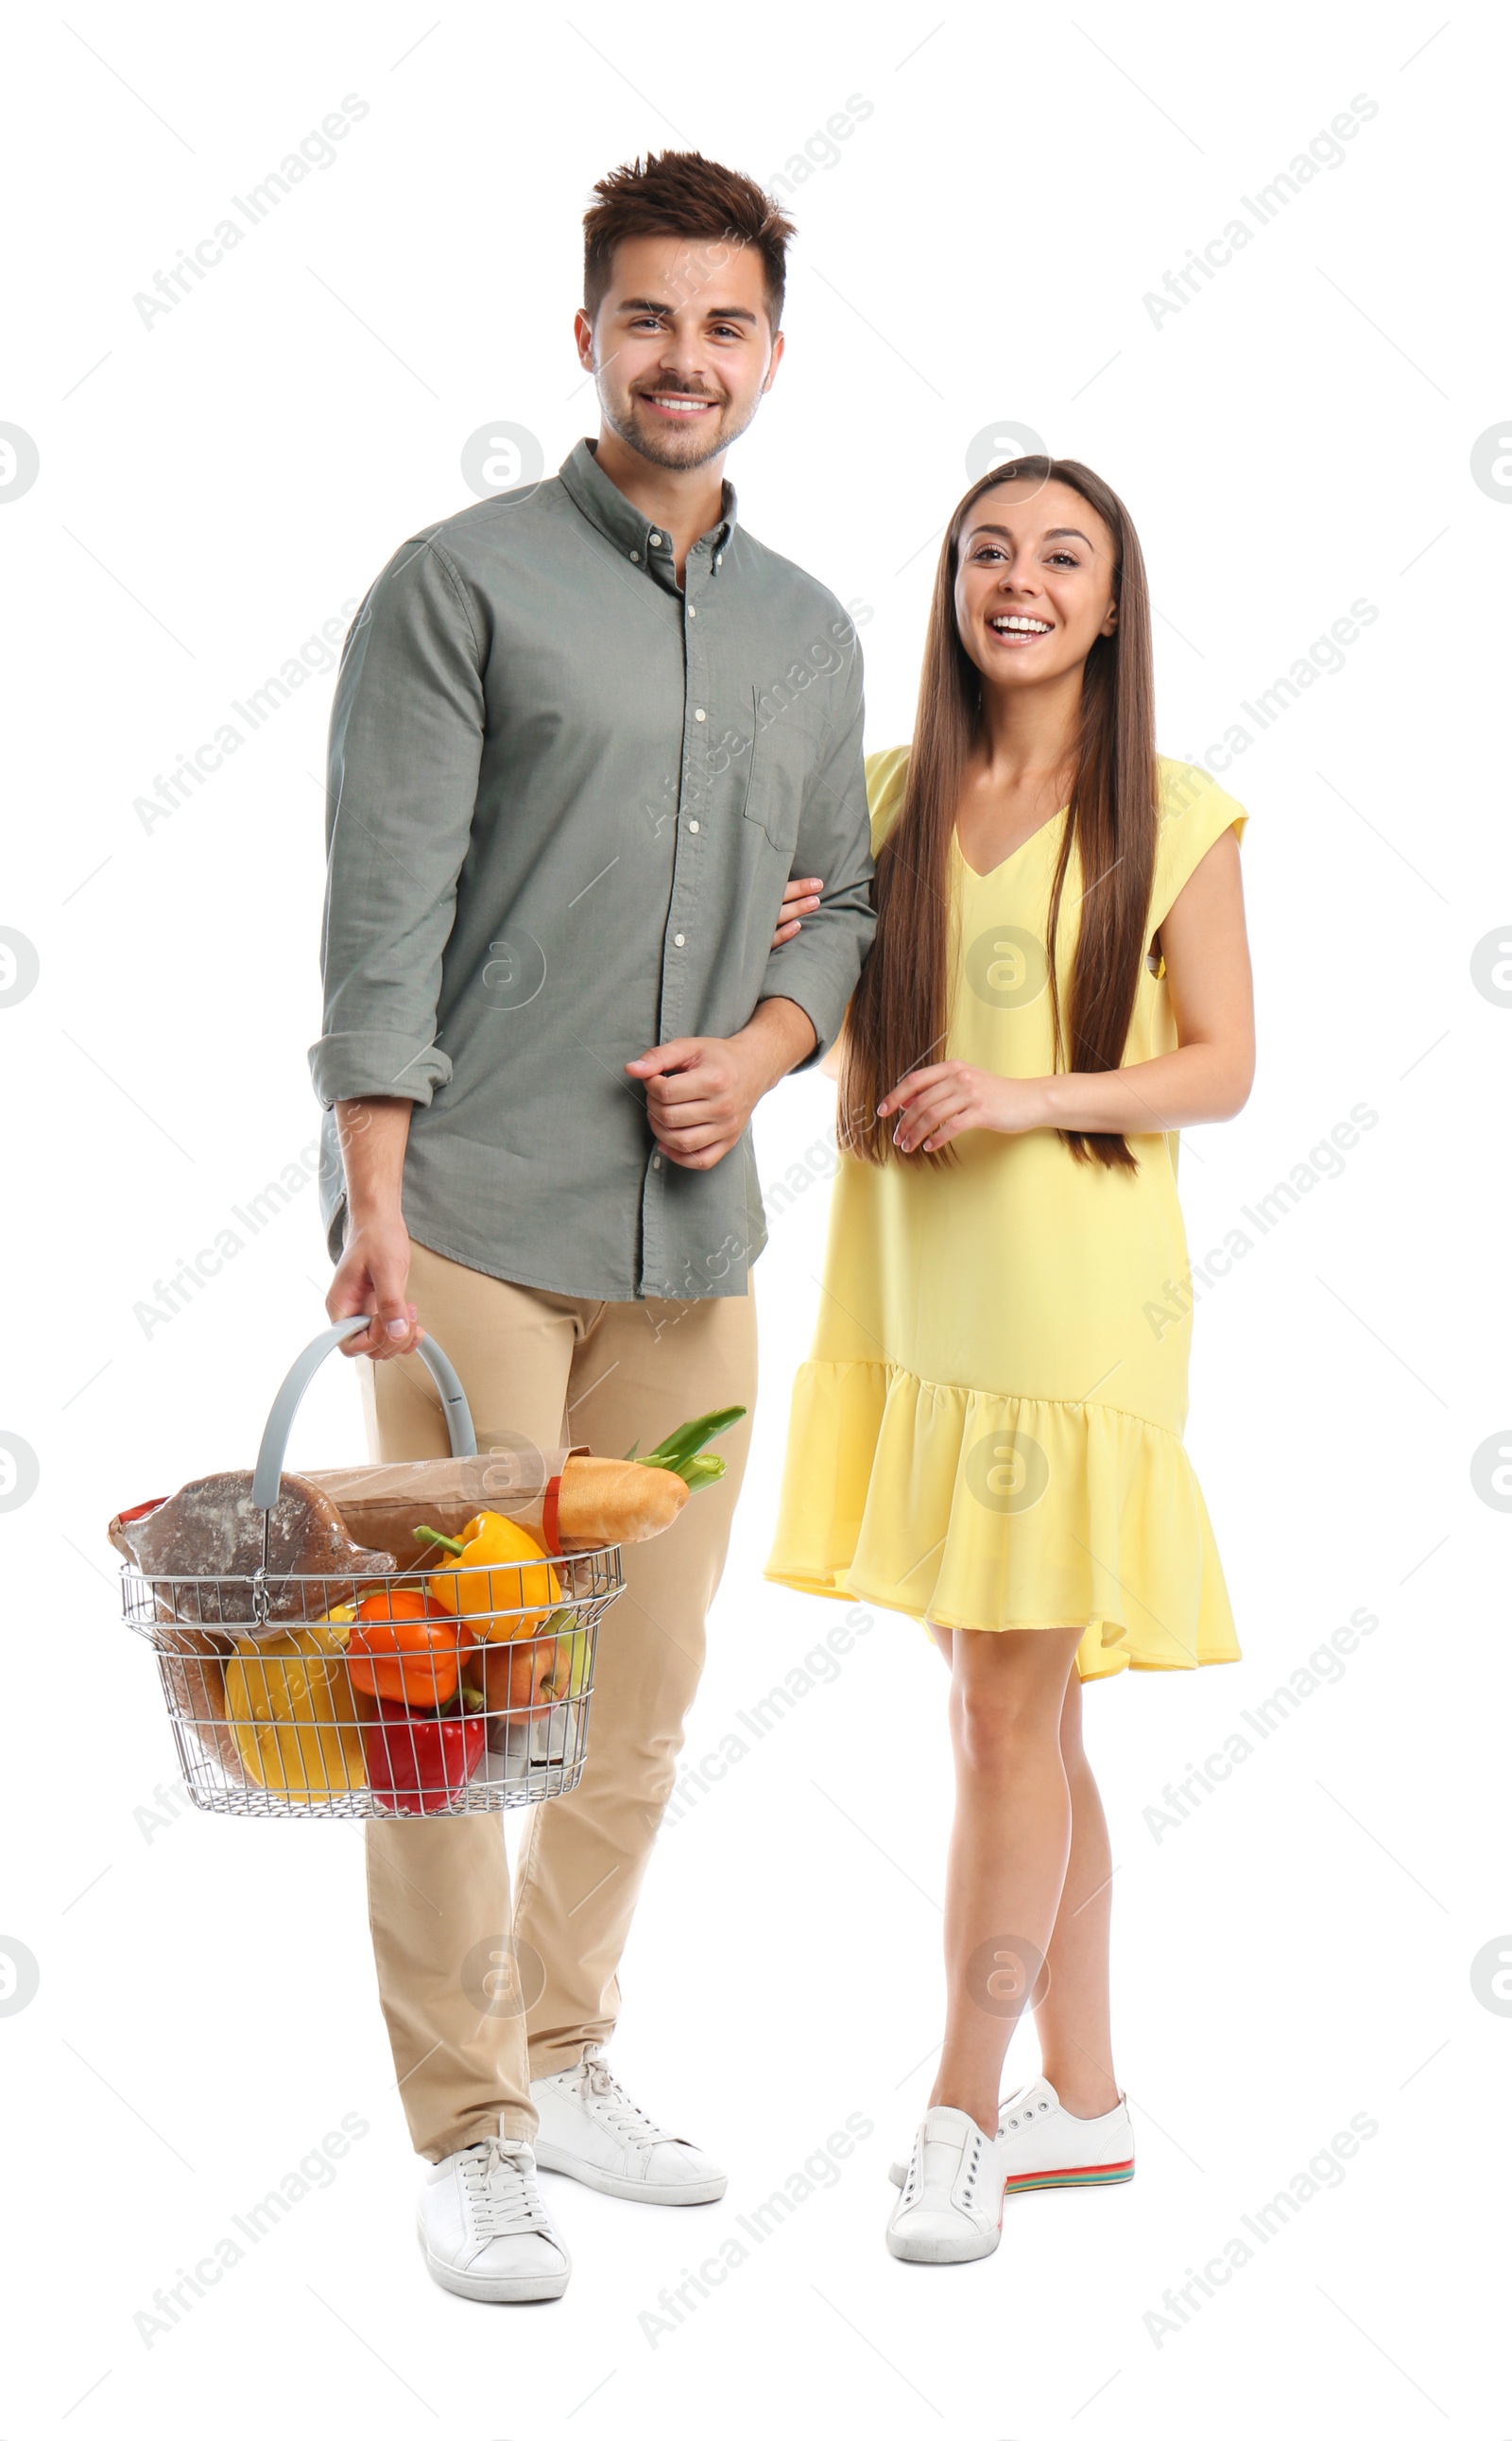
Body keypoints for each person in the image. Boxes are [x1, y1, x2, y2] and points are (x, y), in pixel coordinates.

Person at [310, 150, 875, 2303]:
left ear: (770, 355)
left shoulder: (812, 633)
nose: (684, 359)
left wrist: (766, 1045)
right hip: (463, 1215)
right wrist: (368, 1198)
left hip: (695, 1241)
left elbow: (849, 900)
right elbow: (383, 918)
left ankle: (562, 2052)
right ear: (584, 338)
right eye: (648, 318)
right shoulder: (454, 586)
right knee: (449, 1684)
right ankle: (461, 2125)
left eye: (723, 325)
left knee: (636, 1688)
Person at [765, 456, 1254, 2263]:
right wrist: (799, 1008)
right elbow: (856, 1032)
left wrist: (1030, 1094)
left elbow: (1223, 1066)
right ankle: (1094, 2103)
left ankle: (962, 2115)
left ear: (1114, 602)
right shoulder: (887, 797)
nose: (1021, 580)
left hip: (1072, 1316)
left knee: (994, 1718)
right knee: (1022, 1719)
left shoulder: (1174, 813)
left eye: (1064, 556)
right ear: (954, 585)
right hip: (910, 1298)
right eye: (990, 550)